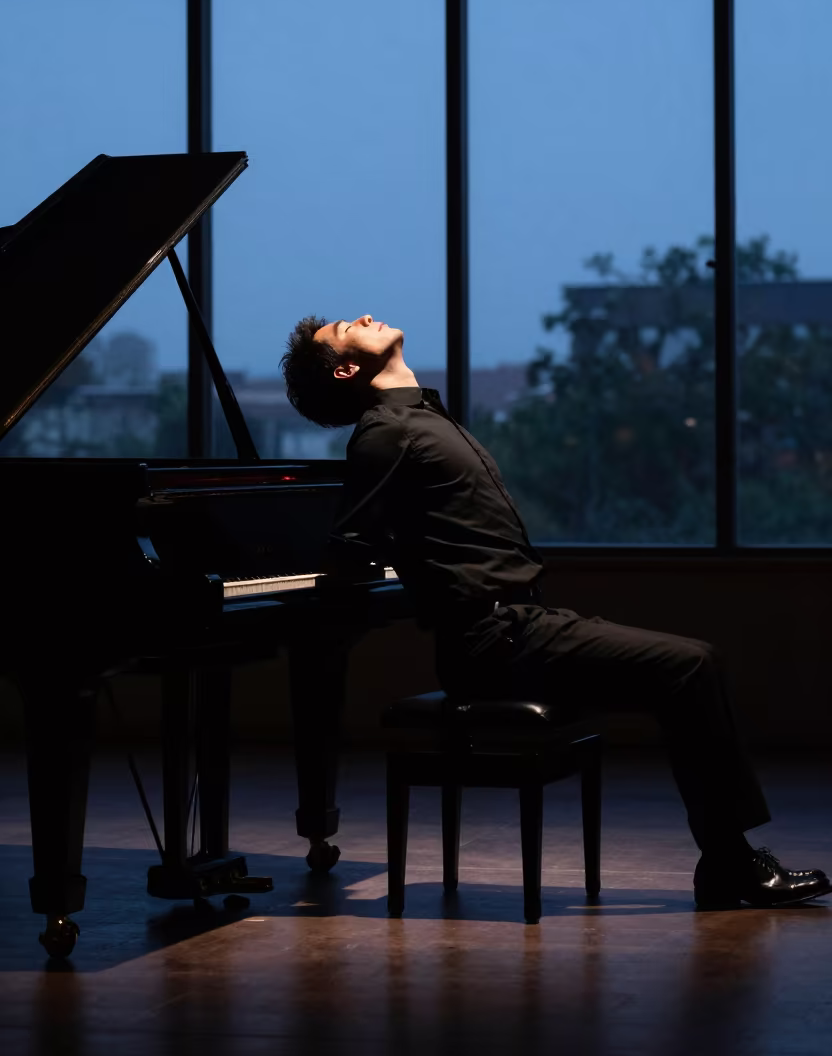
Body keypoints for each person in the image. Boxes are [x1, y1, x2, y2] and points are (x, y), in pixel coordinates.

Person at [281, 312, 830, 910]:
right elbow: (351, 543)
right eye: (343, 328)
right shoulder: (384, 432)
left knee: (692, 666)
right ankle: (730, 863)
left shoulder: (421, 417)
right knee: (691, 665)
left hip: (524, 624)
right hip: (493, 641)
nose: (362, 317)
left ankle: (727, 861)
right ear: (345, 367)